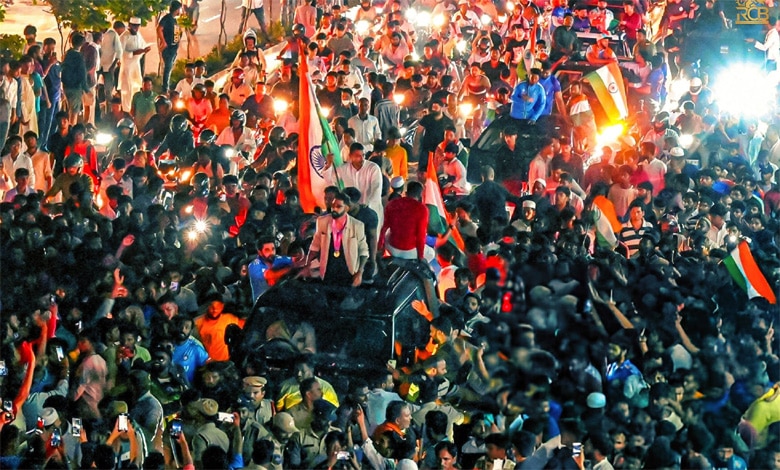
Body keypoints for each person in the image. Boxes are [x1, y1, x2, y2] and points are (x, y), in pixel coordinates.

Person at [305, 191, 369, 286]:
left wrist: (360, 272)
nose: (334, 209)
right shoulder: (322, 221)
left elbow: (363, 252)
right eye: (333, 206)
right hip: (328, 272)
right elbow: (315, 245)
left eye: (338, 206)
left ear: (347, 208)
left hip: (349, 273)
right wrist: (307, 265)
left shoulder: (357, 226)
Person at [379, 180, 428, 259]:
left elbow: (384, 227)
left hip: (392, 247)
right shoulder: (422, 209)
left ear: (406, 192)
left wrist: (380, 247)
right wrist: (420, 257)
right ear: (420, 195)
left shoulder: (393, 203)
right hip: (410, 250)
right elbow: (421, 236)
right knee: (431, 253)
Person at [193, 293, 245, 361]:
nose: (215, 310)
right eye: (212, 307)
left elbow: (246, 327)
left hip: (227, 362)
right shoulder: (198, 323)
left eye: (218, 306)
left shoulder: (230, 318)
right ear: (207, 306)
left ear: (222, 306)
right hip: (209, 364)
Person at [119, 18, 151, 113]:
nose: (135, 28)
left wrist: (145, 50)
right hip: (127, 67)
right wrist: (137, 52)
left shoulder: (138, 35)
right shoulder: (124, 36)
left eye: (137, 26)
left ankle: (135, 112)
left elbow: (143, 46)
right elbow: (122, 53)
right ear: (129, 25)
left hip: (136, 67)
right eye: (133, 26)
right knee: (127, 91)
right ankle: (126, 113)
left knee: (136, 89)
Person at [158, 1, 183, 93]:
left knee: (170, 67)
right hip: (168, 48)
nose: (180, 11)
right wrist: (163, 42)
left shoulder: (174, 20)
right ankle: (165, 88)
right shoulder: (167, 18)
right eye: (179, 9)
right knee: (168, 67)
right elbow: (159, 29)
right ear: (176, 9)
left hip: (174, 48)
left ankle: (167, 87)